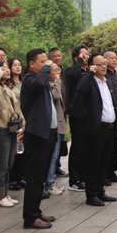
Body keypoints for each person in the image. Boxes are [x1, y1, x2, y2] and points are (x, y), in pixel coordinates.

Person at [19, 49, 58, 229]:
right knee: (34, 179)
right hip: (36, 136)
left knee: (41, 177)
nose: (46, 64)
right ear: (31, 64)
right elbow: (38, 83)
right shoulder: (29, 80)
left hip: (47, 134)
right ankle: (30, 218)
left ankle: (36, 210)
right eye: (42, 62)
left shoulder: (41, 80)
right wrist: (47, 68)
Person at [76, 54, 117, 206]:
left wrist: (116, 126)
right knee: (93, 163)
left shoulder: (108, 82)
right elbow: (80, 90)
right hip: (96, 129)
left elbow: (113, 105)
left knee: (104, 163)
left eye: (104, 63)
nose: (103, 66)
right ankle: (91, 195)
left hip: (109, 128)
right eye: (99, 64)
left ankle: (100, 191)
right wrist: (90, 73)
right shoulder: (89, 81)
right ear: (92, 66)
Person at [0, 60, 23, 208]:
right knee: (1, 164)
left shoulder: (8, 88)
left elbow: (17, 109)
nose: (7, 70)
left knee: (8, 164)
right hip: (1, 127)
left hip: (12, 128)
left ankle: (5, 194)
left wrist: (23, 126)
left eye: (7, 68)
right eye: (3, 68)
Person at [63, 45, 89, 192]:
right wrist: (79, 61)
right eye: (83, 55)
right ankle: (74, 179)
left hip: (88, 114)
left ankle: (84, 176)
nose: (86, 57)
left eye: (87, 54)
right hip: (77, 114)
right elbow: (72, 77)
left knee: (86, 148)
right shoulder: (71, 72)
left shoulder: (89, 71)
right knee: (78, 147)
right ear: (76, 58)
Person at [44, 63, 67, 196]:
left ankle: (51, 180)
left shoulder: (54, 83)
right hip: (52, 125)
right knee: (52, 157)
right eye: (55, 70)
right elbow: (56, 96)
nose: (58, 72)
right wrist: (58, 81)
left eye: (59, 70)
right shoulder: (49, 85)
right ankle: (49, 183)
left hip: (59, 123)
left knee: (55, 155)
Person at [103, 51, 117, 184]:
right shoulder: (103, 76)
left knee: (116, 142)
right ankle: (104, 173)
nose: (115, 60)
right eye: (111, 58)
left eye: (116, 58)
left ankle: (112, 171)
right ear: (105, 60)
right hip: (107, 113)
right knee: (107, 143)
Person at [49, 48, 68, 178]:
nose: (57, 58)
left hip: (62, 113)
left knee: (60, 143)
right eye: (54, 56)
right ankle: (51, 174)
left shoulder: (63, 72)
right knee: (54, 145)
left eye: (59, 56)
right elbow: (55, 95)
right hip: (53, 116)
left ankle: (57, 167)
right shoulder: (51, 80)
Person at [7, 58, 25, 191]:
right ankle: (12, 179)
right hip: (14, 120)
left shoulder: (23, 83)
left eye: (19, 65)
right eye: (15, 65)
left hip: (24, 118)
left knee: (22, 149)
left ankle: (21, 177)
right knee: (14, 151)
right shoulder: (9, 85)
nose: (18, 67)